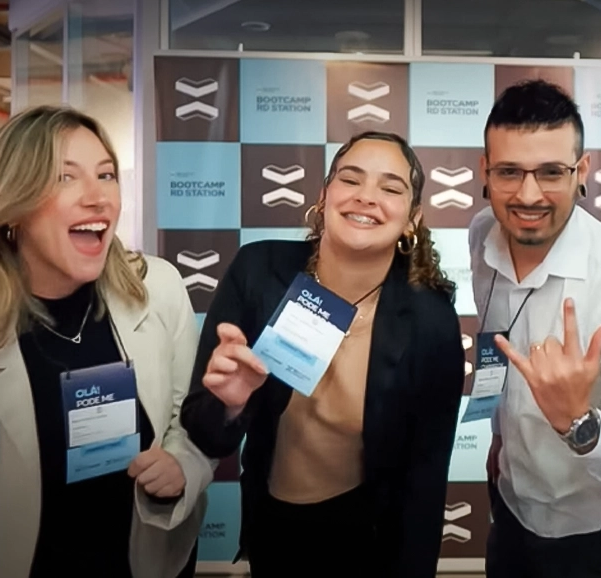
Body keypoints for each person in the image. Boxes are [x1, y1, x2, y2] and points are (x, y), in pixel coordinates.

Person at [0, 106, 211, 578]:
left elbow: (189, 418)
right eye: (65, 177)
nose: (98, 197)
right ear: (12, 206)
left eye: (106, 175)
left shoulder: (160, 287)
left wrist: (183, 466)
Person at [177, 131, 465, 577]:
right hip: (273, 528)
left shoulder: (431, 319)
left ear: (412, 218)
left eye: (390, 188)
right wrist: (229, 407)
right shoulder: (258, 272)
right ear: (324, 195)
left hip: (369, 542)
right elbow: (207, 434)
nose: (367, 197)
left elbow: (425, 479)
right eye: (351, 180)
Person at [470, 79, 601, 578]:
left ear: (582, 172)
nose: (528, 194)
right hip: (514, 498)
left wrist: (576, 421)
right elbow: (501, 349)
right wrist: (502, 437)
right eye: (510, 172)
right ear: (485, 171)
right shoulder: (483, 235)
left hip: (597, 529)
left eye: (551, 172)